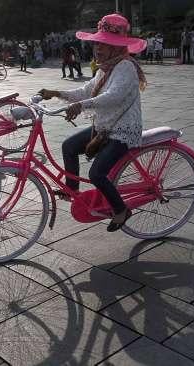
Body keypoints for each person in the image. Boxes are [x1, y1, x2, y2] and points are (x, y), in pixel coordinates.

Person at [38, 13, 147, 232]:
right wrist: (56, 92)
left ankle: (121, 210)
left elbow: (113, 97)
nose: (98, 48)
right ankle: (72, 190)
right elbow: (85, 90)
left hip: (122, 131)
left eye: (105, 44)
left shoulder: (125, 66)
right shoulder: (106, 68)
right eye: (97, 43)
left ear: (116, 47)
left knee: (97, 174)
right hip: (105, 127)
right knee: (68, 146)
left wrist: (82, 106)